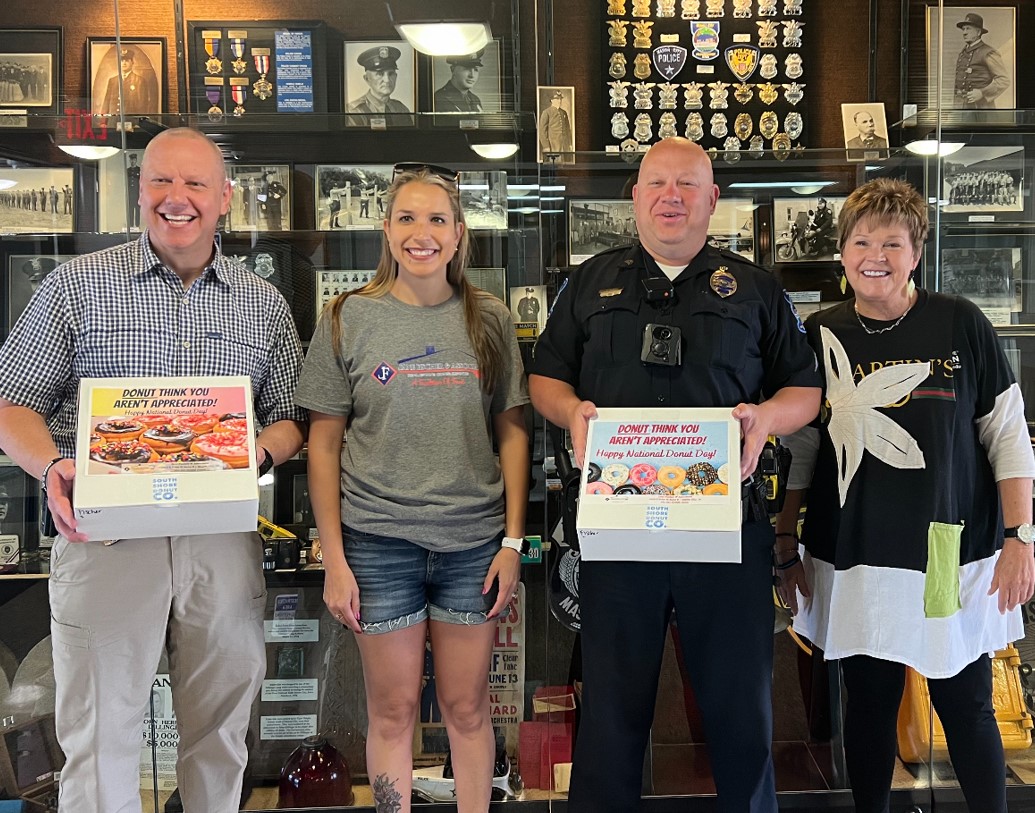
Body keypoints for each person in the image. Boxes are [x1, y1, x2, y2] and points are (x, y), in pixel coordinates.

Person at [0, 127, 307, 812]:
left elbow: (291, 416)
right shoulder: (77, 287)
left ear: (225, 197)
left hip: (221, 544)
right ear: (139, 193)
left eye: (196, 184)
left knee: (221, 734)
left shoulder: (262, 305)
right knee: (99, 737)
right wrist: (52, 464)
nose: (178, 199)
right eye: (161, 182)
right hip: (104, 539)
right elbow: (11, 403)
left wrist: (247, 455)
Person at [528, 137, 821, 813]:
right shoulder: (589, 282)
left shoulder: (754, 289)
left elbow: (802, 390)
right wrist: (571, 410)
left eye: (687, 184)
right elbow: (544, 378)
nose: (671, 196)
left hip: (722, 533)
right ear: (633, 195)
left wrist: (765, 418)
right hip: (618, 531)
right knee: (609, 716)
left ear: (712, 199)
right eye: (657, 182)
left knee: (740, 712)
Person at [774, 178, 1035, 813]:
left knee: (963, 700)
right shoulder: (819, 333)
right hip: (853, 549)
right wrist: (786, 541)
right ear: (842, 253)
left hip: (945, 547)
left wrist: (1019, 537)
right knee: (866, 705)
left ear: (916, 253)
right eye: (862, 241)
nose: (876, 256)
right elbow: (803, 450)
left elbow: (1007, 435)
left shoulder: (959, 322)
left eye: (893, 243)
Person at [296, 162, 529, 811]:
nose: (419, 233)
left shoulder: (489, 318)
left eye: (435, 219)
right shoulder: (345, 318)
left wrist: (512, 540)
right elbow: (323, 445)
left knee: (466, 707)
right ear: (385, 227)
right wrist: (334, 559)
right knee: (393, 712)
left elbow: (512, 433)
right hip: (376, 545)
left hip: (470, 546)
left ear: (457, 234)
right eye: (406, 217)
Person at [953, 12, 1009, 110]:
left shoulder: (988, 52)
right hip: (962, 108)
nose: (964, 32)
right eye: (963, 29)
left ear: (978, 32)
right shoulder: (963, 53)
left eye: (968, 29)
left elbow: (1003, 80)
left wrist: (982, 92)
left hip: (980, 108)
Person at [347, 45, 410, 115]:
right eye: (380, 74)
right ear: (367, 79)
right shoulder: (353, 112)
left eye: (391, 74)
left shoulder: (401, 110)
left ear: (396, 76)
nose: (387, 80)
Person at [100, 47, 158, 117]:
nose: (124, 63)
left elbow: (143, 105)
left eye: (127, 60)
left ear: (132, 62)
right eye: (122, 61)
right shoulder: (112, 80)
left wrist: (139, 123)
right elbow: (106, 102)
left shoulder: (140, 81)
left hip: (131, 121)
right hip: (113, 121)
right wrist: (103, 121)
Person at [538, 90, 573, 157]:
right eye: (557, 99)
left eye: (560, 99)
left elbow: (568, 129)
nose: (559, 101)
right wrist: (546, 146)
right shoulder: (547, 112)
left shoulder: (563, 112)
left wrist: (570, 143)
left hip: (564, 145)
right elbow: (542, 131)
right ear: (552, 100)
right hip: (553, 145)